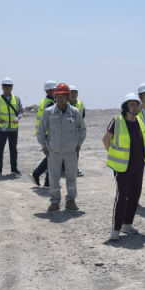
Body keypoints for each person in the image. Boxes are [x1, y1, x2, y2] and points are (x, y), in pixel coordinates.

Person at [102, 93, 145, 241]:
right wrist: (114, 155)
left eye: (136, 105)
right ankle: (116, 229)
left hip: (139, 166)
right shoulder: (117, 121)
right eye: (132, 105)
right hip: (122, 167)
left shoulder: (141, 121)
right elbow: (106, 140)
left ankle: (127, 224)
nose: (135, 108)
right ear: (125, 107)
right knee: (122, 197)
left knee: (135, 196)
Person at [37, 83, 87, 212]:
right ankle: (55, 202)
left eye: (63, 96)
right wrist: (44, 146)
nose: (60, 98)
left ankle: (70, 200)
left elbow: (82, 129)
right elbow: (40, 131)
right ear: (55, 96)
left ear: (68, 96)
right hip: (54, 152)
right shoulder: (48, 112)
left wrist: (79, 144)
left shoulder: (74, 112)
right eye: (58, 96)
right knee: (54, 178)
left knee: (71, 177)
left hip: (71, 151)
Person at [0, 77, 24, 177]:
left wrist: (17, 118)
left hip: (13, 128)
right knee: (0, 150)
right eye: (5, 85)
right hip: (2, 129)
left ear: (12, 87)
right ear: (2, 87)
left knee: (13, 150)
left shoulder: (16, 99)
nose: (7, 87)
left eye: (9, 86)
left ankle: (14, 169)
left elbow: (21, 111)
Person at [30, 80, 57, 187]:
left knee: (51, 157)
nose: (56, 91)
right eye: (54, 90)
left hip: (46, 133)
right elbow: (51, 120)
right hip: (48, 133)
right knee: (52, 157)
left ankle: (45, 179)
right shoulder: (50, 103)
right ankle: (44, 179)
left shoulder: (46, 101)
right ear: (48, 91)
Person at [67, 85, 86, 177]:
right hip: (66, 131)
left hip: (76, 131)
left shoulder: (81, 104)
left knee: (76, 150)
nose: (73, 95)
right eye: (71, 93)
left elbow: (83, 116)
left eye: (75, 93)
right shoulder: (64, 104)